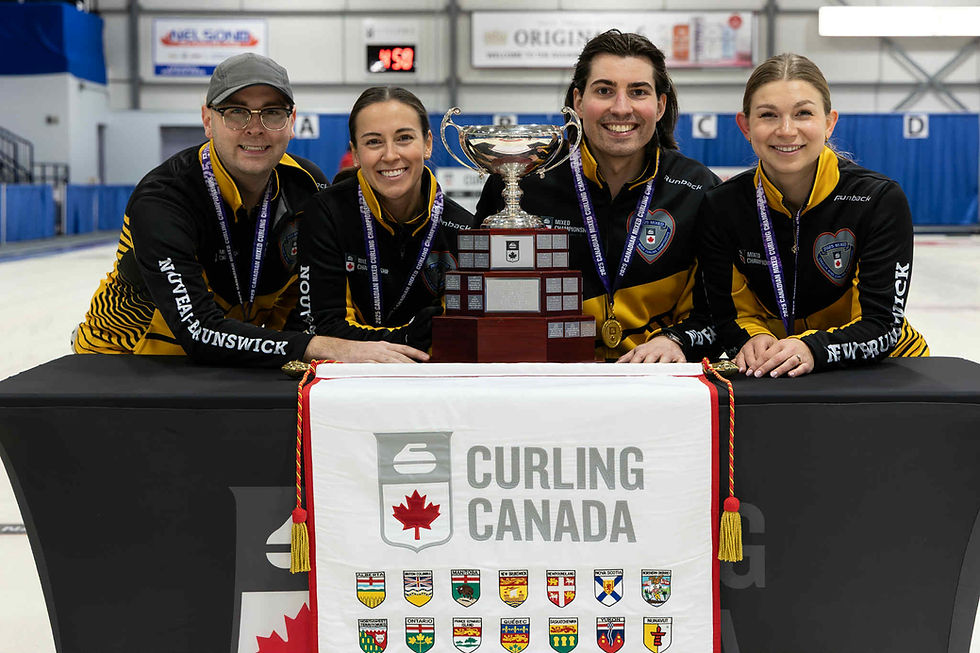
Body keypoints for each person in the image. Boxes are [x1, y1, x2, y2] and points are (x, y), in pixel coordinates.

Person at [73, 53, 418, 366]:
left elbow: (306, 305)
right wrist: (317, 346)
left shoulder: (307, 185)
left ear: (291, 121)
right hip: (125, 360)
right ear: (208, 120)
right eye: (236, 112)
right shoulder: (164, 198)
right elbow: (199, 332)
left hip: (238, 360)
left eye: (272, 112)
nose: (255, 127)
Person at [476, 30, 720, 363]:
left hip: (653, 381)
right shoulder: (523, 182)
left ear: (660, 105)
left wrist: (677, 342)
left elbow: (718, 312)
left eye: (638, 92)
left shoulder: (697, 188)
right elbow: (476, 295)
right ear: (577, 101)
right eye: (604, 90)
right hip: (547, 377)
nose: (621, 108)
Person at [698, 53, 929, 378]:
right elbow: (730, 316)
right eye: (768, 115)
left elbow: (882, 325)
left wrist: (811, 349)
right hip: (780, 368)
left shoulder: (877, 200)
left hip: (884, 365)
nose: (786, 130)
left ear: (829, 122)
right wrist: (752, 339)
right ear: (745, 126)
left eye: (803, 113)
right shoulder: (722, 206)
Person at [298, 86, 476, 361]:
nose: (391, 155)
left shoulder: (463, 228)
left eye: (404, 138)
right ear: (355, 153)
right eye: (373, 142)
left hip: (430, 382)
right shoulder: (326, 213)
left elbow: (456, 335)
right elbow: (324, 332)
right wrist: (407, 337)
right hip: (346, 380)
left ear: (427, 144)